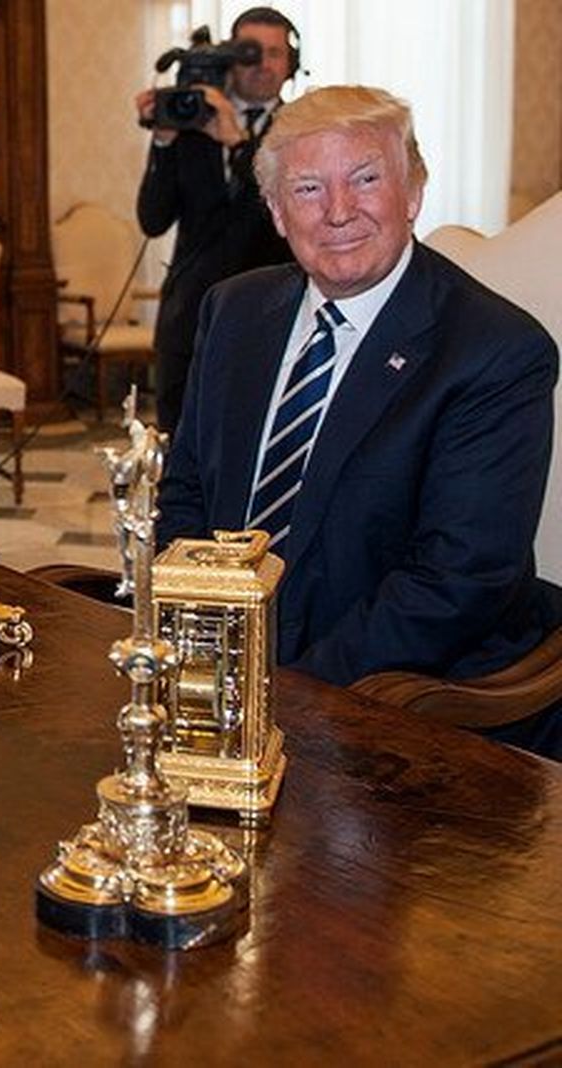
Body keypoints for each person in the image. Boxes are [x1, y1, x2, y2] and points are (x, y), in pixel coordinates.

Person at [157, 85, 562, 758]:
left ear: (413, 194)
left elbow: (458, 580)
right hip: (226, 677)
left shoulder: (493, 350)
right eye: (309, 189)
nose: (339, 211)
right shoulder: (233, 311)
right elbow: (186, 495)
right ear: (277, 213)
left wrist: (279, 687)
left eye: (366, 179)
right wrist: (196, 647)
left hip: (414, 704)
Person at [136, 6, 298, 432]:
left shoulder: (304, 131)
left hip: (270, 318)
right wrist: (165, 142)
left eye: (275, 53)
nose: (262, 64)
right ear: (229, 58)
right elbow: (152, 221)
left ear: (290, 64)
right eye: (249, 52)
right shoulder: (191, 121)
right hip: (189, 315)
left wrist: (238, 143)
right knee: (178, 441)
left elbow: (287, 215)